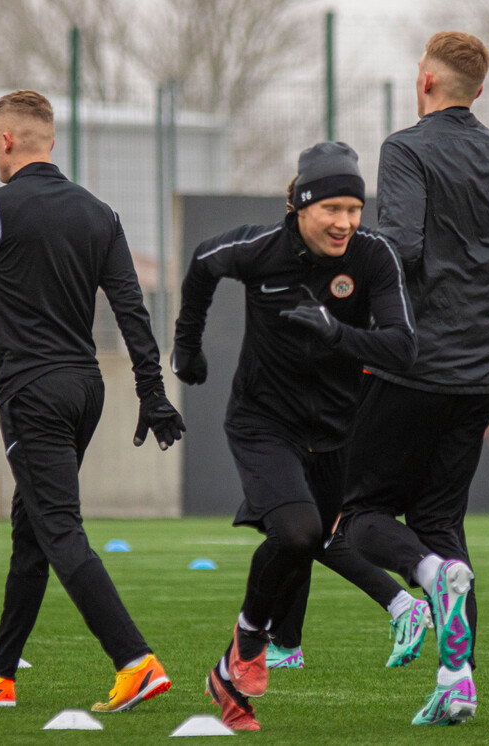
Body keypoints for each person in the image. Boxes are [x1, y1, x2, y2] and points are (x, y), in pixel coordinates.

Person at [0, 89, 184, 713]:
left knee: (58, 530)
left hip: (32, 394)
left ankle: (134, 660)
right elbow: (132, 310)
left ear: (5, 140)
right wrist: (153, 394)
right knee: (31, 528)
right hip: (86, 391)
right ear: (49, 141)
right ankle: (0, 673)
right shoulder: (100, 214)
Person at [171, 142, 421, 731]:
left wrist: (338, 333)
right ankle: (251, 643)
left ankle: (228, 674)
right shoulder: (261, 249)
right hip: (263, 424)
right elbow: (204, 264)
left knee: (308, 542)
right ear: (302, 205)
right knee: (299, 530)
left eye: (354, 209)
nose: (345, 223)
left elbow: (403, 348)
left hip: (337, 434)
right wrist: (186, 347)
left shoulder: (374, 257)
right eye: (332, 208)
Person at [343, 31, 489, 726]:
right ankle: (459, 682)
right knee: (441, 522)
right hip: (479, 375)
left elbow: (402, 250)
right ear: (477, 91)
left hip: (413, 367)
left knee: (357, 518)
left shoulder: (406, 149)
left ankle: (428, 580)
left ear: (425, 82)